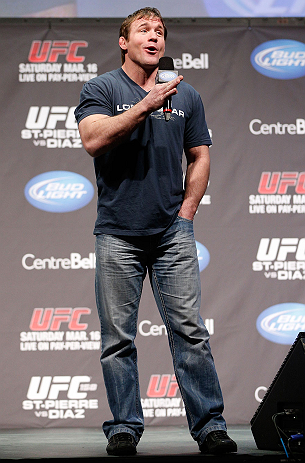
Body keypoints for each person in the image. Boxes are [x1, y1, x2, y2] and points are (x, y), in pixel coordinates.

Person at [75, 7, 237, 457]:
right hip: (117, 233)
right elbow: (92, 138)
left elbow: (200, 156)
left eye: (160, 31)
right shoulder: (102, 88)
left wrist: (187, 212)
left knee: (189, 332)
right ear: (124, 41)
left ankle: (210, 427)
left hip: (172, 233)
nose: (154, 37)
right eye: (144, 30)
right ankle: (124, 427)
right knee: (118, 339)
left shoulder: (188, 96)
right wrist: (146, 104)